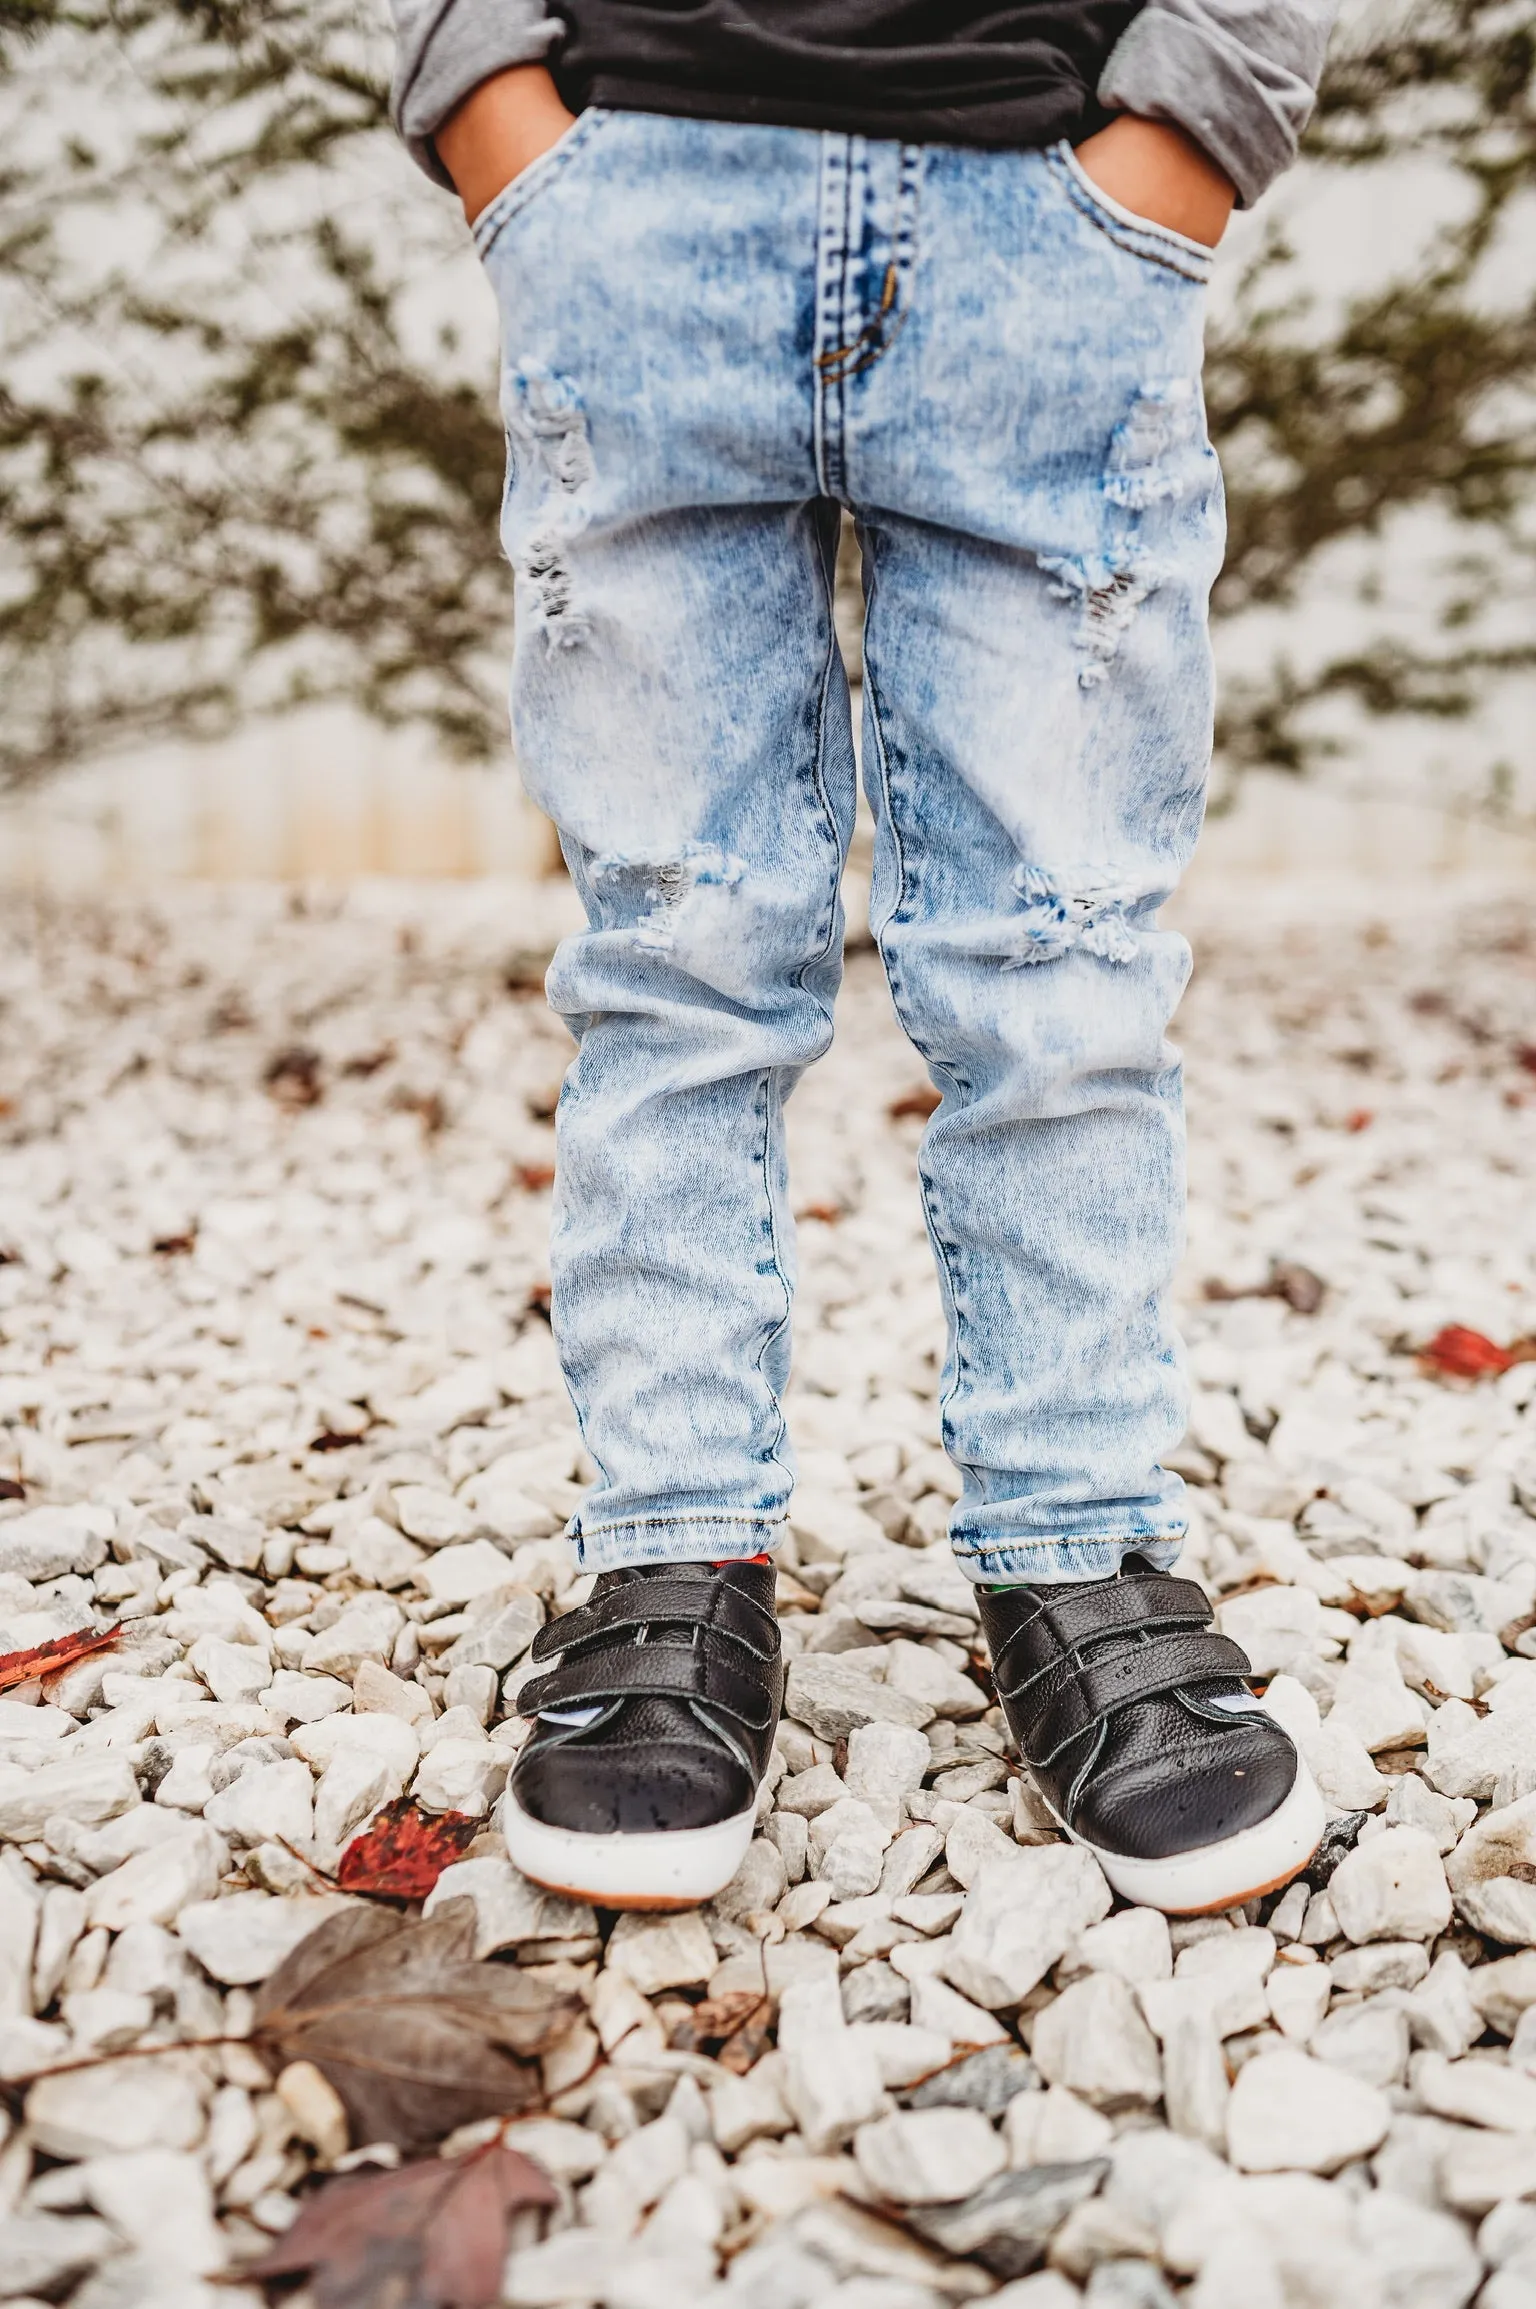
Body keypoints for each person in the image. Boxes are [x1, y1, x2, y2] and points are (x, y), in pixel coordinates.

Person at [387, 0, 1335, 1914]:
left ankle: (1078, 1538)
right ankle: (672, 1549)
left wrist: (1198, 129)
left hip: (1049, 220)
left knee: (1061, 977)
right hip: (637, 196)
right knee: (673, 961)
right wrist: (494, 114)